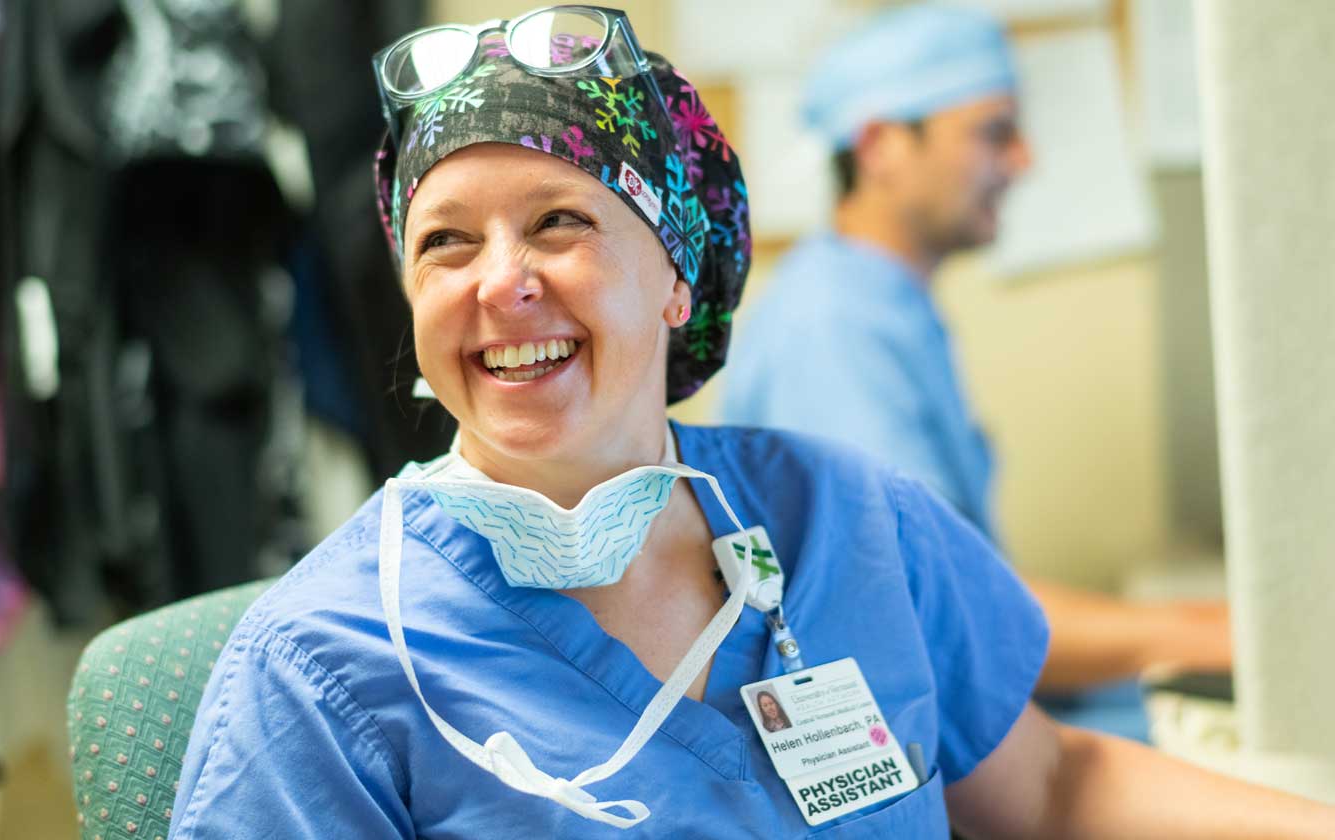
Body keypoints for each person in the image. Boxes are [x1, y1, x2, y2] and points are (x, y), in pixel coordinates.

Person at [168, 7, 1335, 838]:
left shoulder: (840, 519)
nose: (500, 282)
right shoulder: (323, 670)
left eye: (560, 222)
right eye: (446, 242)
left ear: (675, 276)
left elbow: (1051, 787)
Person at [719, 3, 1230, 740]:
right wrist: (1203, 632)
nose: (1023, 161)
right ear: (881, 145)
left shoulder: (881, 303)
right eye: (993, 132)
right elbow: (938, 611)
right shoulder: (831, 327)